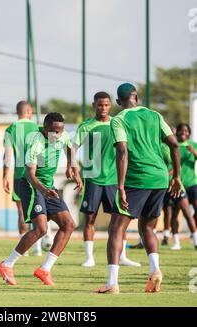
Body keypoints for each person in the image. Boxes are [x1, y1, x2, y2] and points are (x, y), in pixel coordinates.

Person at [95, 83, 181, 294]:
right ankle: (155, 271)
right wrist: (177, 176)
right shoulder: (155, 115)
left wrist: (121, 186)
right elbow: (175, 145)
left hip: (138, 179)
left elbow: (122, 151)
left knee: (116, 228)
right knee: (148, 228)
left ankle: (112, 283)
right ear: (137, 97)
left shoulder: (119, 119)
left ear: (118, 102)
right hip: (160, 178)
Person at [0, 112, 82, 286]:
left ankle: (45, 269)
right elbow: (29, 175)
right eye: (53, 131)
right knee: (41, 229)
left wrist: (73, 169)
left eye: (60, 131)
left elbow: (69, 148)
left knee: (69, 225)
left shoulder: (62, 135)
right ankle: (6, 265)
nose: (57, 135)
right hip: (31, 186)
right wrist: (43, 190)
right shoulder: (35, 142)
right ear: (45, 128)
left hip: (48, 187)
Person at [72, 91, 140, 267]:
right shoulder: (85, 126)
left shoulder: (117, 124)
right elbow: (72, 148)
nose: (103, 108)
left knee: (120, 219)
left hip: (114, 180)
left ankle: (122, 256)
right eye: (100, 105)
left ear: (111, 106)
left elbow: (126, 150)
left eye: (106, 105)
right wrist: (74, 169)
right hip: (92, 179)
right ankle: (89, 258)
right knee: (89, 219)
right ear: (94, 105)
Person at [3, 101, 42, 256]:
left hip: (19, 176)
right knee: (38, 211)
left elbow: (7, 156)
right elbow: (42, 154)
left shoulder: (11, 129)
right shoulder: (37, 128)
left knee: (21, 212)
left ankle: (23, 250)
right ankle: (37, 248)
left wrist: (4, 176)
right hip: (36, 176)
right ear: (29, 111)